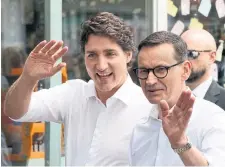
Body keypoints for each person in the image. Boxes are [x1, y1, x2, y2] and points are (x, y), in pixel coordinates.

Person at [4, 12, 151, 166]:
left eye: (110, 54)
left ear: (128, 55)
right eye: (92, 55)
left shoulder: (148, 108)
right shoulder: (74, 94)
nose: (101, 65)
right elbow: (15, 111)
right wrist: (28, 77)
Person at [130, 31, 225, 166]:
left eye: (161, 69)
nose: (150, 81)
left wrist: (181, 144)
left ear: (185, 70)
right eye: (144, 71)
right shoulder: (140, 126)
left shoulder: (213, 119)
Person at [181, 29, 225, 110]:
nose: (184, 61)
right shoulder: (167, 97)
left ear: (211, 57)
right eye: (180, 54)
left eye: (191, 54)